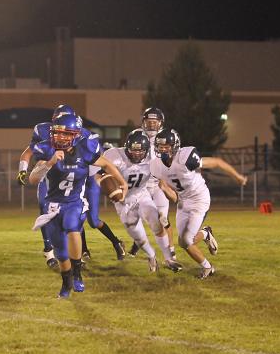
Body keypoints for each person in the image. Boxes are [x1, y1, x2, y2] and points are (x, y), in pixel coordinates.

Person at [28, 113, 128, 298]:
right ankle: (66, 283)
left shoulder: (85, 149)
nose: (61, 137)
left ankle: (77, 274)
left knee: (73, 228)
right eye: (58, 133)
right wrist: (50, 162)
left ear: (75, 135)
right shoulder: (47, 150)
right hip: (53, 205)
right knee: (60, 252)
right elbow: (33, 178)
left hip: (74, 202)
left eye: (66, 134)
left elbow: (107, 164)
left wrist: (122, 182)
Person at [150, 128, 248, 279]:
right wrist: (163, 189)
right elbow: (174, 197)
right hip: (183, 200)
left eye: (166, 146)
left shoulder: (186, 156)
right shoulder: (156, 165)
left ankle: (208, 268)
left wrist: (237, 176)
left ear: (175, 145)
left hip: (199, 198)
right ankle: (205, 233)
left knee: (187, 240)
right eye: (160, 146)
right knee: (183, 242)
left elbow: (217, 162)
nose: (162, 149)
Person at [103, 129, 179, 272]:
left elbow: (168, 166)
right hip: (123, 202)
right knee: (138, 235)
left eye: (141, 151)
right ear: (127, 147)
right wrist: (108, 187)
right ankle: (151, 256)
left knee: (156, 220)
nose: (137, 154)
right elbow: (99, 174)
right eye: (133, 151)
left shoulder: (153, 155)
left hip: (142, 194)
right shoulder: (114, 156)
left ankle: (169, 259)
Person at [128, 107, 177, 262]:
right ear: (144, 122)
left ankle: (171, 249)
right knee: (139, 216)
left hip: (157, 184)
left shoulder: (167, 136)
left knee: (163, 218)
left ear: (160, 123)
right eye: (149, 122)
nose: (151, 125)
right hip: (141, 184)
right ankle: (138, 244)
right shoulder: (136, 135)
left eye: (154, 122)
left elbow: (173, 158)